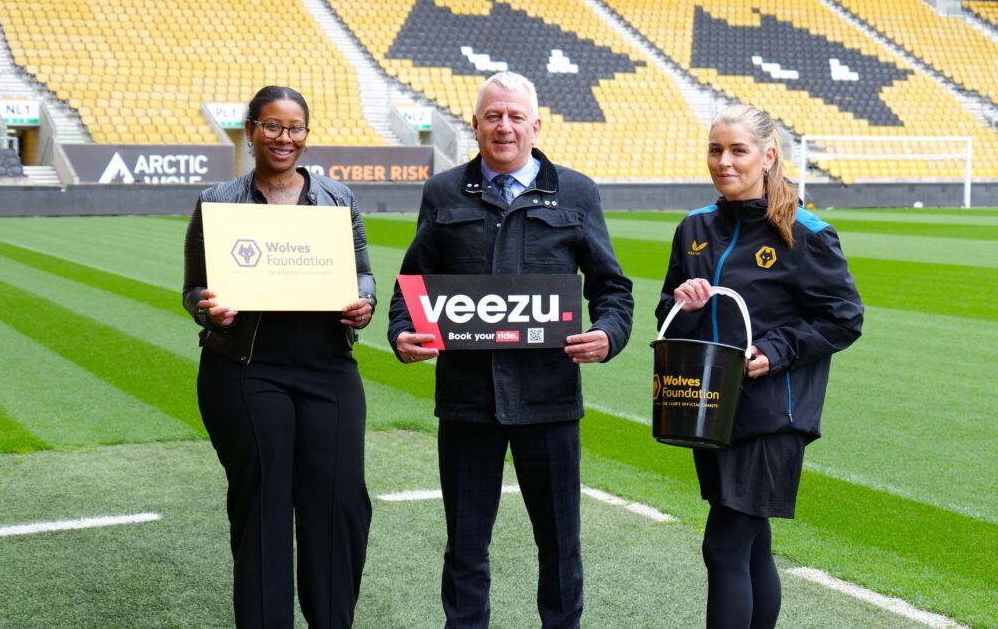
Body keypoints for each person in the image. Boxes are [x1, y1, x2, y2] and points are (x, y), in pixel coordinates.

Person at [388, 71, 634, 629]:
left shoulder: (577, 192)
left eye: (515, 116)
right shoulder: (443, 191)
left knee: (560, 547)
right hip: (467, 402)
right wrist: (402, 336)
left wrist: (609, 334)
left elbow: (612, 289)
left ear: (536, 125)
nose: (504, 127)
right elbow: (414, 286)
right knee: (466, 549)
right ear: (474, 125)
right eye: (493, 116)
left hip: (548, 402)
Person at [656, 105, 863, 628]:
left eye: (738, 150)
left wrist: (775, 351)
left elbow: (843, 318)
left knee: (723, 548)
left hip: (773, 415)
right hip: (709, 407)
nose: (723, 161)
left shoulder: (805, 230)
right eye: (715, 149)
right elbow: (667, 313)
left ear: (769, 156)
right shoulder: (694, 227)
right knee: (751, 547)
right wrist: (684, 300)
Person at [182, 86, 376, 628]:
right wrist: (207, 309)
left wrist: (366, 302)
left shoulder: (338, 199)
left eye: (294, 128)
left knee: (339, 505)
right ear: (250, 129)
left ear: (307, 136)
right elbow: (193, 289)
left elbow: (362, 272)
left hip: (328, 367)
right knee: (264, 506)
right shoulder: (217, 200)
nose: (283, 138)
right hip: (245, 368)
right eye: (271, 126)